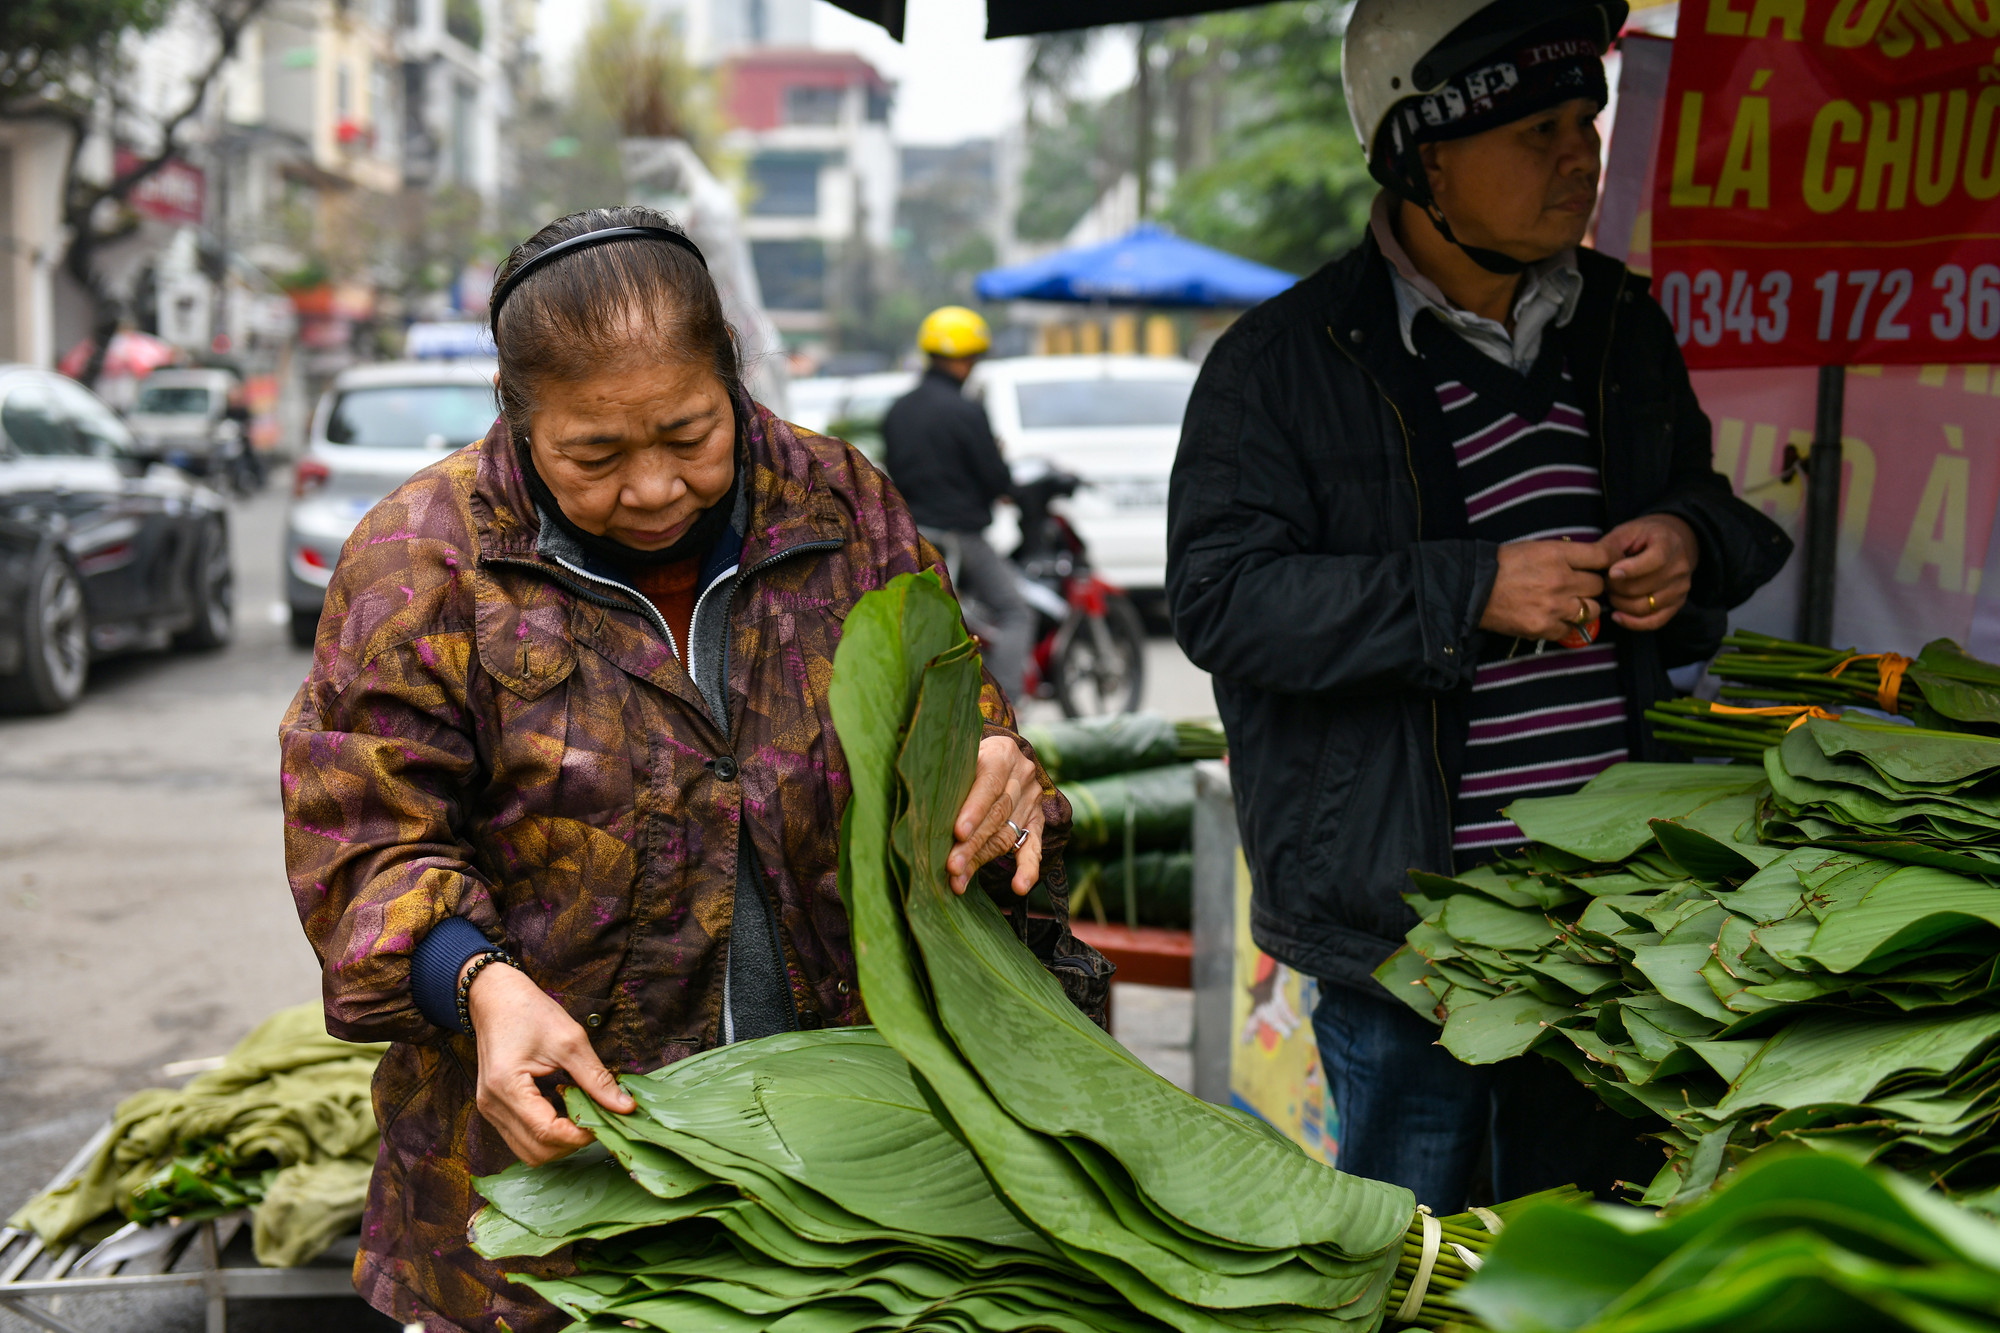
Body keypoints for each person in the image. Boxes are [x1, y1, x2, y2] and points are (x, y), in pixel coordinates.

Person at [280, 208, 1083, 1333]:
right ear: (515, 418)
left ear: (733, 377)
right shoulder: (422, 560)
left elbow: (956, 707)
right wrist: (477, 983)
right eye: (595, 455)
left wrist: (996, 766)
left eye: (690, 434)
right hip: (553, 1184)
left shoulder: (841, 504)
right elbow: (364, 837)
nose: (655, 487)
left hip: (844, 1166)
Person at [1166, 0, 1791, 1214]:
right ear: (1421, 155)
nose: (1578, 156)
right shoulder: (1279, 365)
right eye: (1534, 131)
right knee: (1415, 1247)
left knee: (1582, 1242)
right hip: (1408, 939)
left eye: (1583, 121)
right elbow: (1225, 603)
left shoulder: (1620, 323)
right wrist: (1471, 586)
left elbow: (1701, 502)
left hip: (1610, 917)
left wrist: (1685, 542)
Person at [882, 305, 1032, 697]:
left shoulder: (898, 410)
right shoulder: (966, 411)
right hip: (960, 537)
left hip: (912, 541)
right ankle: (1007, 710)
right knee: (1015, 612)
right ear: (967, 360)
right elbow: (995, 478)